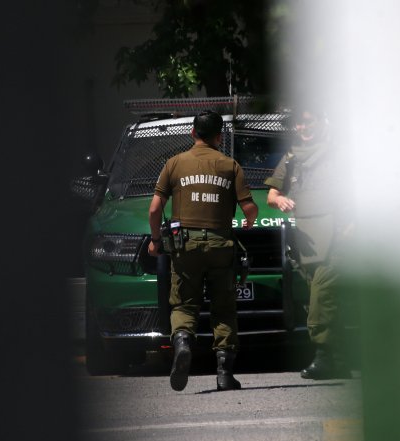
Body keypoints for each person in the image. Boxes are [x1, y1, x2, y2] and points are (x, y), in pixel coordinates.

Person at [148, 110, 258, 391]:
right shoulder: (230, 165)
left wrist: (156, 241)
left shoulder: (174, 163)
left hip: (185, 245)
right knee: (223, 308)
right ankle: (224, 373)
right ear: (220, 137)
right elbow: (249, 209)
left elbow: (155, 208)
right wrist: (249, 220)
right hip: (221, 245)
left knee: (184, 304)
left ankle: (183, 341)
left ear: (193, 133)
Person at [265, 107, 351, 380]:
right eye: (299, 124)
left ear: (322, 122)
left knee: (320, 297)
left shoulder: (339, 154)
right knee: (325, 298)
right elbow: (271, 194)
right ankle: (339, 360)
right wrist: (279, 200)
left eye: (309, 122)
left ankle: (323, 357)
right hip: (309, 241)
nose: (303, 128)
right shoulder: (291, 157)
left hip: (337, 236)